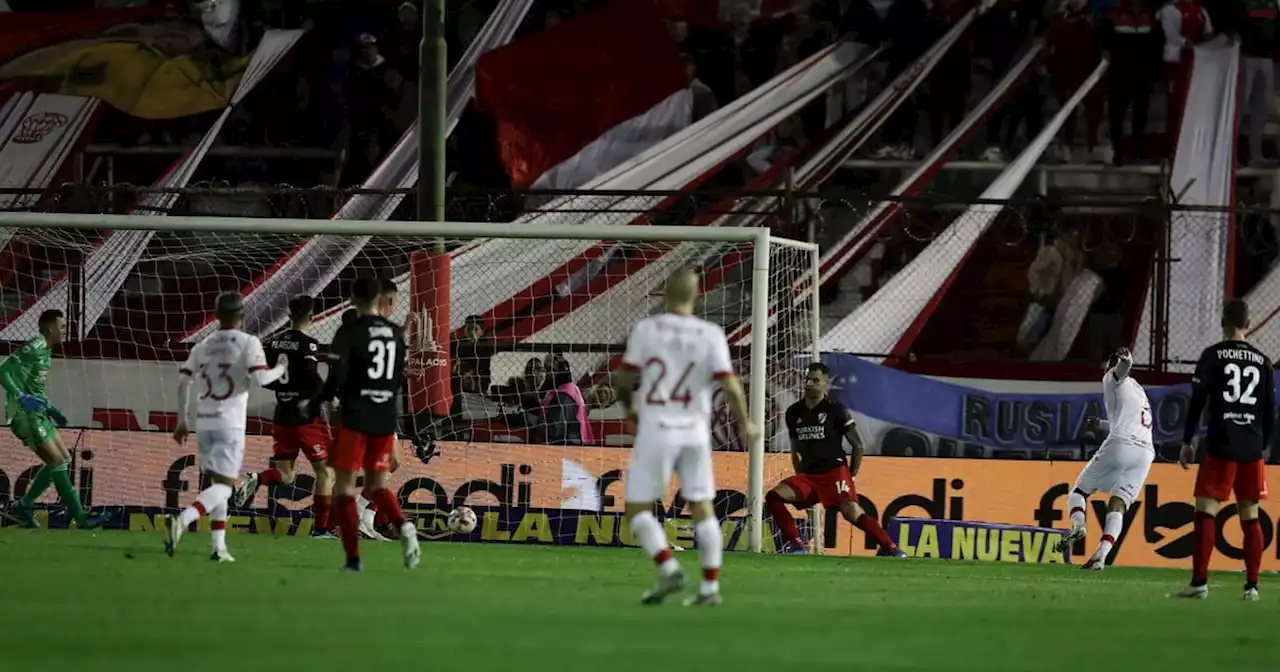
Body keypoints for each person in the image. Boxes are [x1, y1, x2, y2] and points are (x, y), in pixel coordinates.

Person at [614, 268, 760, 606]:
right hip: (695, 431)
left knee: (637, 509)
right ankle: (709, 588)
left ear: (665, 294)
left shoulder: (647, 330)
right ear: (697, 296)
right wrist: (747, 423)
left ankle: (667, 567)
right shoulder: (710, 333)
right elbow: (730, 384)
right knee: (702, 507)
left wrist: (629, 409)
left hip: (657, 429)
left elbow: (623, 380)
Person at [308, 277, 418, 572]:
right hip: (384, 417)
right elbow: (396, 380)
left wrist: (315, 401)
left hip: (356, 415)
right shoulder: (395, 333)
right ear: (381, 299)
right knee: (378, 486)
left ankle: (353, 559)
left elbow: (336, 378)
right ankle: (404, 527)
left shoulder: (350, 331)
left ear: (354, 299)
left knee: (343, 489)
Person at [167, 293, 286, 561]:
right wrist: (280, 367)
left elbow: (183, 381)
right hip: (230, 423)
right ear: (242, 317)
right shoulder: (248, 342)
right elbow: (261, 379)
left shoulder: (203, 345)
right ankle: (182, 521)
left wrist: (182, 420)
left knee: (216, 483)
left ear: (217, 315)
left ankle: (218, 548)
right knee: (225, 487)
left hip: (204, 421)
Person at [1172, 299, 1272, 600]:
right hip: (1252, 447)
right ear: (1248, 324)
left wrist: (1188, 441)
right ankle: (1252, 586)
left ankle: (1200, 582)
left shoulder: (1212, 356)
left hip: (1221, 442)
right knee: (1250, 515)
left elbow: (1198, 401)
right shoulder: (1263, 360)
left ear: (1222, 322)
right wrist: (1262, 445)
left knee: (1206, 510)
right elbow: (1269, 409)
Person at [766, 362, 904, 556]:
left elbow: (858, 445)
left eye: (815, 380)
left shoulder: (836, 410)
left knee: (851, 513)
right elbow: (796, 448)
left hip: (834, 472)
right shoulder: (793, 412)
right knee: (774, 496)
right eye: (807, 379)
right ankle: (797, 545)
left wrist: (851, 476)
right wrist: (800, 475)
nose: (809, 384)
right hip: (809, 476)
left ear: (825, 384)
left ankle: (891, 548)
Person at [231, 295, 336, 539]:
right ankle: (321, 529)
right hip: (305, 417)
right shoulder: (309, 344)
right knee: (326, 472)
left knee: (286, 476)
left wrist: (285, 389)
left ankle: (257, 478)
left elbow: (265, 378)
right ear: (312, 316)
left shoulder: (273, 343)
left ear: (289, 316)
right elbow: (311, 377)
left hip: (282, 415)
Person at [1, 310, 109, 530]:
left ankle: (25, 505)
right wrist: (20, 397)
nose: (64, 331)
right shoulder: (36, 346)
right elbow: (2, 370)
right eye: (61, 326)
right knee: (58, 463)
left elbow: (33, 387)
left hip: (38, 413)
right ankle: (80, 519)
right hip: (25, 417)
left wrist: (51, 408)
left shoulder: (47, 352)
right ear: (50, 328)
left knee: (65, 459)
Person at [1053, 347, 1154, 569]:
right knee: (1118, 503)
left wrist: (1125, 358)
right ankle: (1102, 554)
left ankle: (1079, 526)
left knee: (1078, 492)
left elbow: (1123, 367)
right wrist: (1099, 424)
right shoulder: (1138, 391)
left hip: (1121, 444)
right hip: (1145, 452)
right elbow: (1126, 422)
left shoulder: (1112, 379)